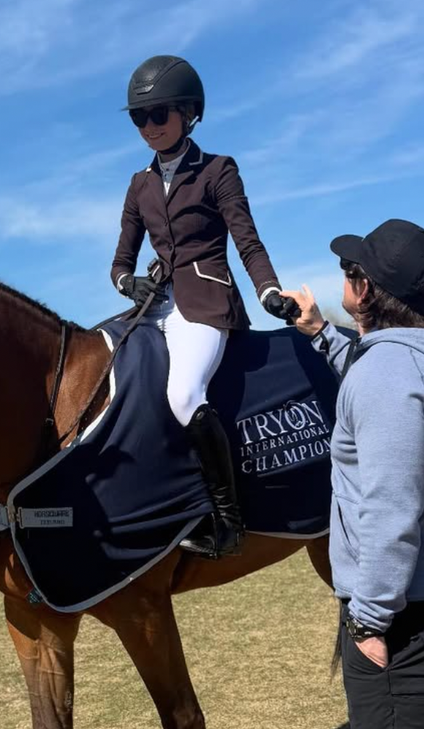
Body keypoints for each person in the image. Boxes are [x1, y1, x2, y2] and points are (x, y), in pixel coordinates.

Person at [282, 219, 424, 729]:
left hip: (406, 625)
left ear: (367, 289)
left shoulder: (388, 375)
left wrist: (369, 622)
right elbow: (377, 372)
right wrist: (321, 332)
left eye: (349, 272)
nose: (343, 281)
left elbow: (390, 509)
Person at [111, 55, 297, 558]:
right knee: (114, 382)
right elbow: (120, 262)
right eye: (138, 118)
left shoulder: (218, 170)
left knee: (183, 393)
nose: (148, 127)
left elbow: (248, 243)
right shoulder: (138, 184)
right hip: (154, 304)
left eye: (159, 114)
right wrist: (129, 285)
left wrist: (269, 292)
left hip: (205, 299)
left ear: (189, 112)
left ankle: (227, 520)